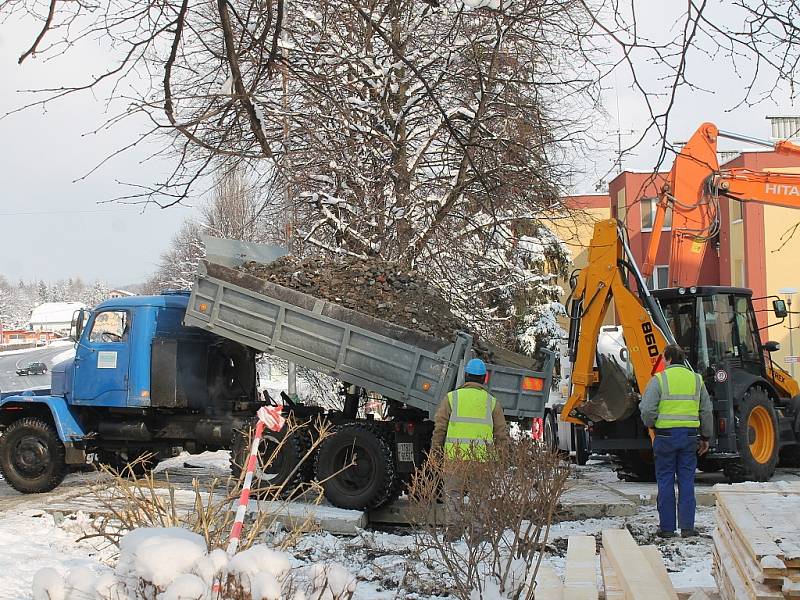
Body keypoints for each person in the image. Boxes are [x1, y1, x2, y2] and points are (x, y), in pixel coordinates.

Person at [640, 344, 713, 538]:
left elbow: (647, 410)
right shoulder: (697, 380)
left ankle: (667, 529)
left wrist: (652, 425)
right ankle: (688, 528)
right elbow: (706, 411)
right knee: (687, 481)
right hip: (689, 437)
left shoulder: (660, 380)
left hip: (665, 437)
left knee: (665, 481)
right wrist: (706, 436)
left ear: (668, 358)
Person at [430, 358, 510, 533]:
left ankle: (453, 531)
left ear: (465, 376)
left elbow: (440, 428)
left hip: (455, 458)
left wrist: (435, 452)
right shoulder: (492, 402)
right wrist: (501, 460)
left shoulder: (452, 398)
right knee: (480, 496)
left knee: (453, 495)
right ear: (484, 378)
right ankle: (478, 531)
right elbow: (501, 435)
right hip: (482, 460)